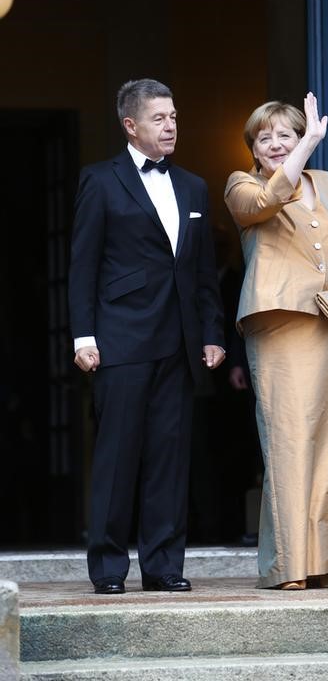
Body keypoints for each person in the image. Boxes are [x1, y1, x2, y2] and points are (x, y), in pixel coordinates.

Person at [68, 78, 225, 594]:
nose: (171, 126)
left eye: (175, 117)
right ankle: (109, 569)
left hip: (178, 344)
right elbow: (82, 265)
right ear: (130, 125)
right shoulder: (100, 180)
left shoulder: (195, 187)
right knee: (117, 457)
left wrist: (212, 332)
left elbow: (202, 271)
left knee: (168, 458)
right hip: (120, 340)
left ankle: (163, 567)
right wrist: (82, 337)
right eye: (160, 118)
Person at [224, 93, 328, 590]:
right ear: (252, 146)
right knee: (291, 439)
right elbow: (264, 204)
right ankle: (290, 563)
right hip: (280, 325)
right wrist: (309, 142)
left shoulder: (327, 184)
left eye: (284, 135)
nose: (273, 143)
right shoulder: (242, 184)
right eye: (263, 137)